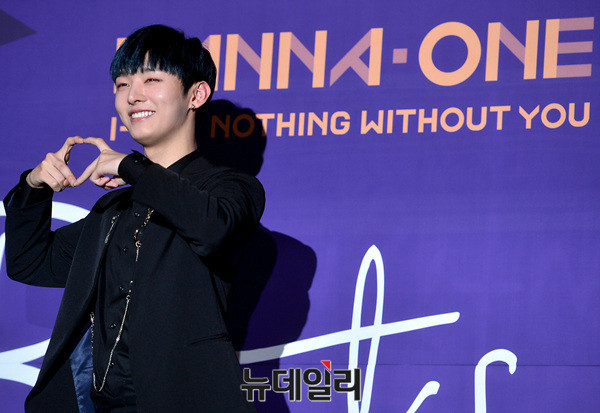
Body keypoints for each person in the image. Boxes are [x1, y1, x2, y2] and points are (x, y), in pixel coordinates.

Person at [3, 24, 264, 412]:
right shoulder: (114, 209)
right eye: (122, 84)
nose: (132, 96)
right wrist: (33, 186)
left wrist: (132, 167)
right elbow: (30, 262)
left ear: (196, 94)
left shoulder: (230, 188)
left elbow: (213, 230)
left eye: (151, 80)